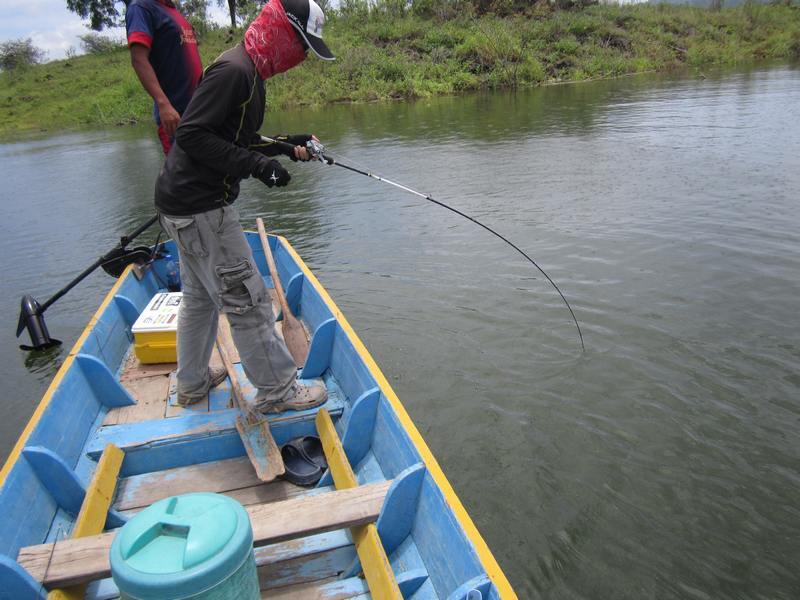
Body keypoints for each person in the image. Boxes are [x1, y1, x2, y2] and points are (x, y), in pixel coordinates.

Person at [155, 0, 335, 411]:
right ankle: (278, 392)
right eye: (302, 46)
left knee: (200, 299)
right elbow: (193, 135)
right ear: (282, 33)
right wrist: (257, 165)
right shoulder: (235, 73)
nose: (302, 57)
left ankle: (192, 383)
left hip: (180, 205)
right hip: (201, 210)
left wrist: (288, 146)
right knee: (248, 300)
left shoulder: (248, 71)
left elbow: (233, 137)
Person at [125, 0, 203, 154]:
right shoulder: (141, 7)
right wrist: (163, 104)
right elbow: (138, 59)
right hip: (176, 117)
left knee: (208, 174)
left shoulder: (172, 11)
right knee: (181, 175)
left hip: (198, 112)